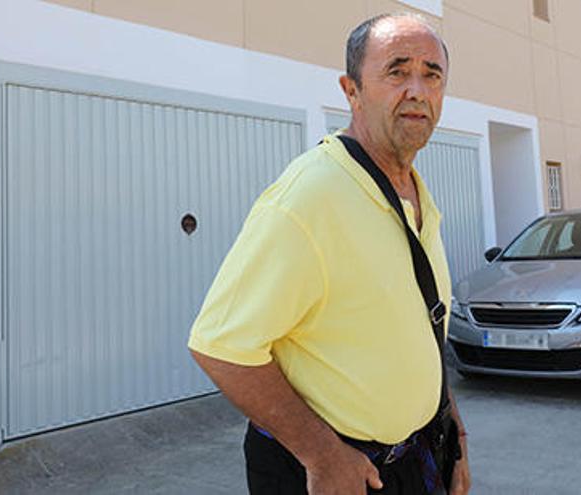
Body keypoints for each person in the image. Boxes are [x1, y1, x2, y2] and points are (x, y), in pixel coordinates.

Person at [187, 13, 471, 495]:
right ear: (351, 90)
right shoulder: (310, 196)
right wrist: (321, 452)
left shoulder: (414, 193)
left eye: (432, 74)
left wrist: (453, 434)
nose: (418, 90)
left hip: (417, 456)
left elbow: (421, 329)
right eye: (397, 71)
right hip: (330, 473)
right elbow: (220, 345)